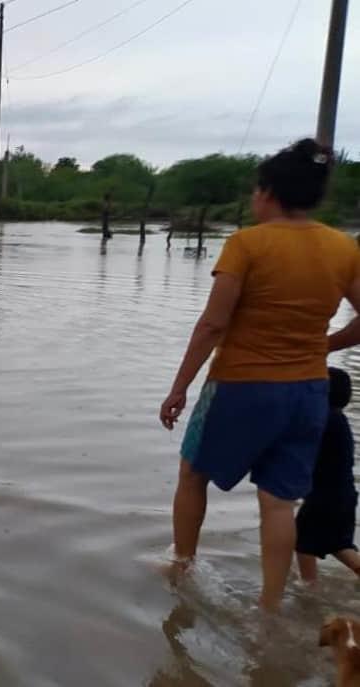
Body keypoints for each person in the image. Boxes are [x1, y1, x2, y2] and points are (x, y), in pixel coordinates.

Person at [160, 138, 360, 611]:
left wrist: (179, 387)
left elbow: (213, 323)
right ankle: (269, 608)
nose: (253, 198)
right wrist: (323, 344)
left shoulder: (246, 244)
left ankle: (181, 566)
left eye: (256, 190)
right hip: (308, 392)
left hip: (240, 384)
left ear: (269, 193)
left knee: (193, 474)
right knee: (278, 502)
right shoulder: (343, 247)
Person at [297, 367, 360, 582]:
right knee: (337, 544)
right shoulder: (338, 419)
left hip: (324, 498)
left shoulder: (325, 419)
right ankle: (309, 586)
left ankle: (309, 587)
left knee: (305, 542)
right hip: (343, 495)